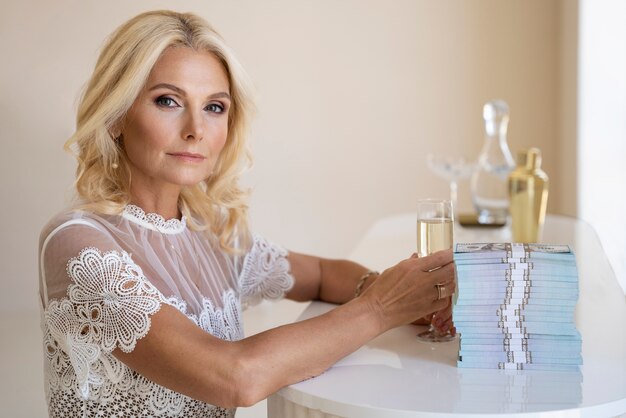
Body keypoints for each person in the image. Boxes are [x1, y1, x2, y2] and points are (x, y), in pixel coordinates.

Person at [38, 10, 456, 418]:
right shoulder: (76, 243)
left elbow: (325, 275)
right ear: (115, 115)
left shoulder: (210, 234)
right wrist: (381, 308)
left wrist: (385, 290)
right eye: (168, 101)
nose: (196, 130)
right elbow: (235, 377)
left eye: (214, 107)